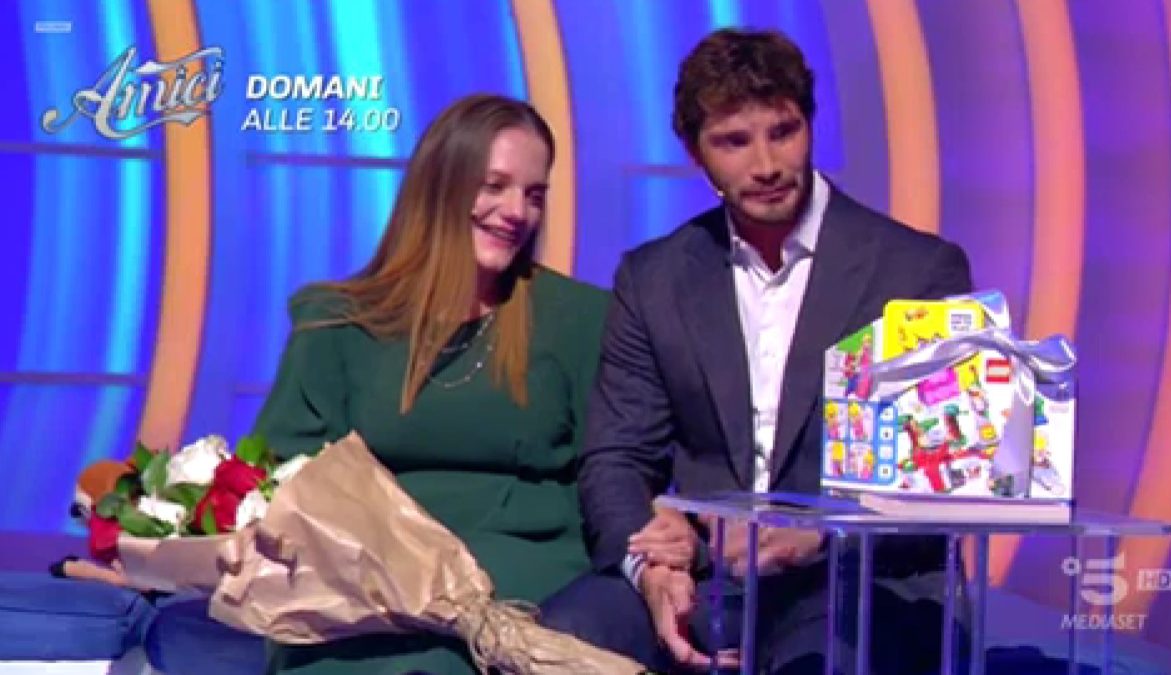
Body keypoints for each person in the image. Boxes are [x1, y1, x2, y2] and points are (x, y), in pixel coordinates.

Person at [541, 29, 972, 674]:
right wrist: (651, 566)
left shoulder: (916, 272)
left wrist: (820, 535)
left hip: (856, 579)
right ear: (696, 153)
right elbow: (618, 456)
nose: (766, 164)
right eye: (734, 141)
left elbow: (945, 487)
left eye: (783, 131)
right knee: (561, 639)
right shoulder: (654, 278)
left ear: (810, 126)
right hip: (710, 574)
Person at [253, 94, 609, 674]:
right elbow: (284, 478)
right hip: (368, 586)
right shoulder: (337, 323)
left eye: (534, 194)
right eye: (494, 186)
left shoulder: (577, 319)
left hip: (519, 588)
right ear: (439, 186)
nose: (516, 212)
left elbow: (610, 475)